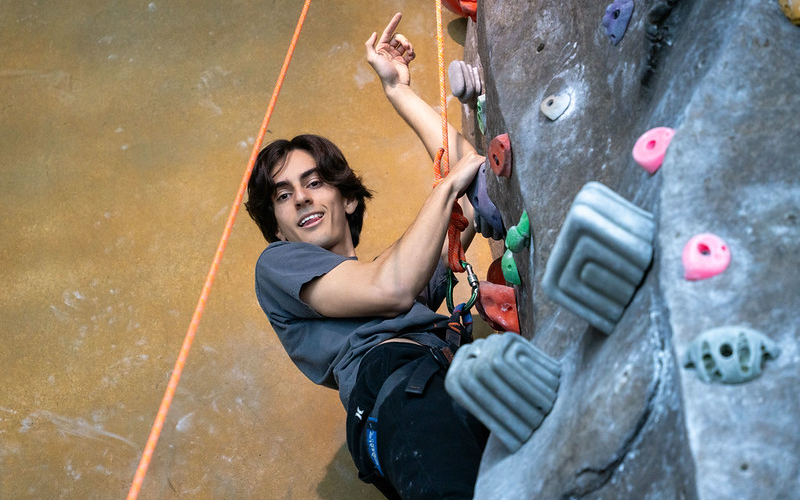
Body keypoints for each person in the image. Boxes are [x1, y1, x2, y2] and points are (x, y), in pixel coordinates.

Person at [245, 13, 488, 500]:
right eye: (283, 195)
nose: (302, 199)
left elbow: (477, 192)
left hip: (451, 378)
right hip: (400, 399)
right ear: (276, 228)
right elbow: (389, 287)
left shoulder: (399, 271)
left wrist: (399, 93)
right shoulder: (277, 266)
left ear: (348, 199)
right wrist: (444, 192)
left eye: (314, 182)